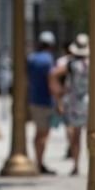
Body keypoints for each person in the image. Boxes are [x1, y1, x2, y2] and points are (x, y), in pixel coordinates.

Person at [50, 33, 90, 176]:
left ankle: (76, 164)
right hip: (88, 100)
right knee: (90, 135)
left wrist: (59, 94)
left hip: (73, 101)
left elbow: (53, 75)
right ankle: (84, 163)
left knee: (75, 135)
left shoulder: (71, 64)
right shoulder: (92, 63)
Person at [27, 31, 57, 175]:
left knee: (38, 133)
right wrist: (57, 99)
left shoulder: (32, 58)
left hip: (34, 99)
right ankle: (39, 163)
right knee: (44, 134)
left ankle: (38, 161)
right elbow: (51, 81)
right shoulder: (48, 60)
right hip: (45, 100)